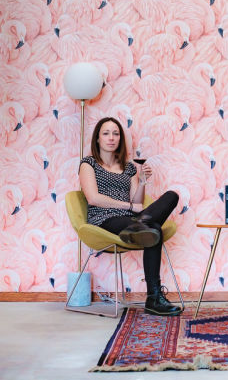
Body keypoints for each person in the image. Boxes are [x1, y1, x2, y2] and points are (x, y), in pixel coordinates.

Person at [79, 116, 182, 316]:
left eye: (115, 134)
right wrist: (128, 206)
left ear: (120, 138)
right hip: (106, 219)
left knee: (172, 196)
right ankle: (154, 298)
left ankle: (139, 226)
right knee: (154, 229)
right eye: (106, 133)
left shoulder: (128, 168)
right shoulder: (88, 164)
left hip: (130, 218)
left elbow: (137, 201)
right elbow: (93, 198)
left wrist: (142, 181)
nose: (111, 138)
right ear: (98, 138)